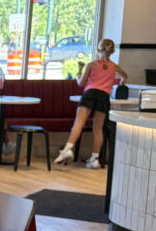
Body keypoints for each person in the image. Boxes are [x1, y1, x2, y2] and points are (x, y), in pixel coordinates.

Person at [54, 38, 128, 168]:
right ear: (112, 51)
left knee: (78, 124)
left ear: (98, 50)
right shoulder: (115, 67)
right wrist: (121, 82)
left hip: (90, 94)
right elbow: (125, 76)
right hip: (104, 97)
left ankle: (67, 150)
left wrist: (78, 74)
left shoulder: (91, 65)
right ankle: (95, 159)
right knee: (98, 130)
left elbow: (81, 83)